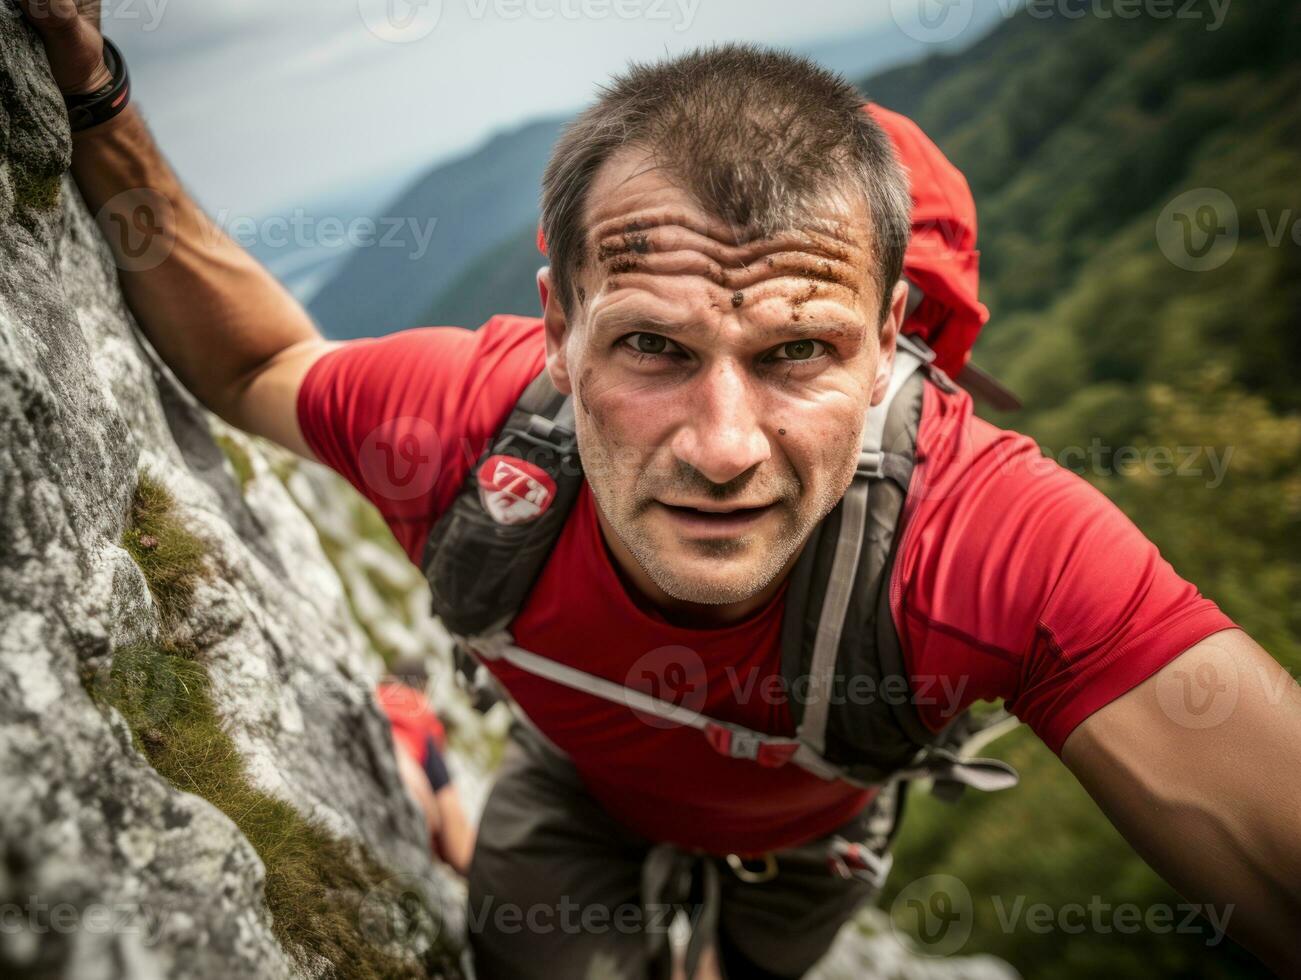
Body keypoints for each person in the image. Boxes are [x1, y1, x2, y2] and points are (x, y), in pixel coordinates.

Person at [20, 4, 1300, 978]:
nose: (723, 443)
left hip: (811, 832)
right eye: (651, 348)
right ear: (557, 329)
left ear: (889, 344)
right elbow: (257, 357)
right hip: (581, 775)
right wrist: (94, 90)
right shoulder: (468, 426)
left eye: (797, 350)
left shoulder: (979, 533)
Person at [377, 659, 476, 876]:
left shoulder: (376, 697)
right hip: (408, 792)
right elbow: (457, 846)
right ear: (423, 688)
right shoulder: (424, 720)